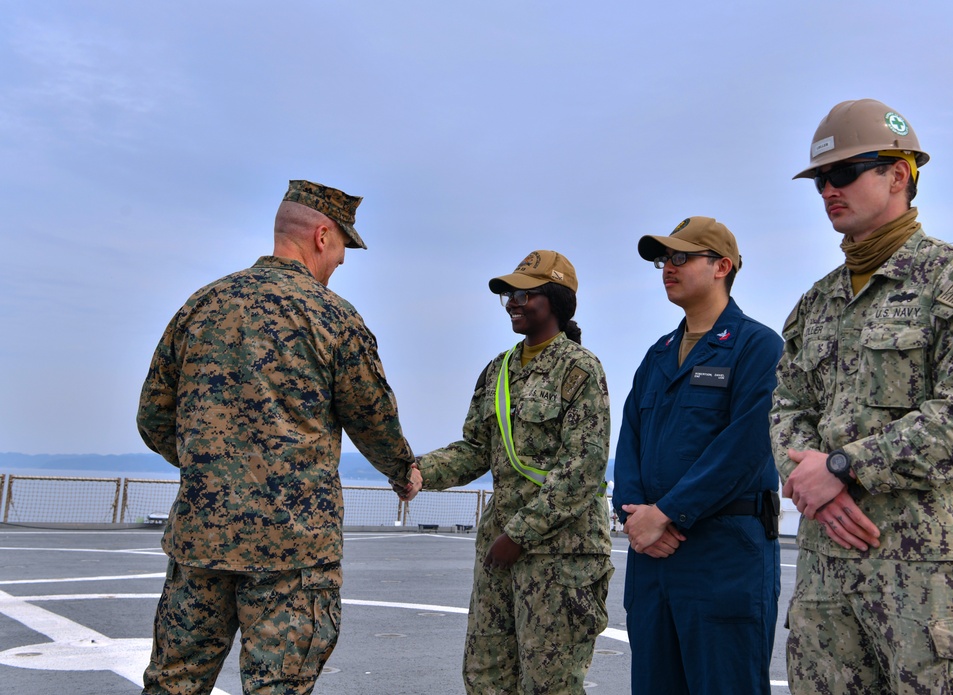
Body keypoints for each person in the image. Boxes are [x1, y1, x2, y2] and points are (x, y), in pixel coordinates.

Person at [136, 180, 421, 695]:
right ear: (320, 235)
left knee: (173, 684)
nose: (340, 262)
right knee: (278, 689)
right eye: (341, 247)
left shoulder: (202, 305)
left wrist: (213, 468)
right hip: (292, 552)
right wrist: (404, 470)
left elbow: (154, 417)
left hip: (202, 539)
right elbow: (372, 417)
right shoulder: (333, 317)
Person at [773, 99, 953, 693]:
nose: (828, 190)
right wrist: (812, 483)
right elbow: (787, 409)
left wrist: (847, 467)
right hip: (827, 574)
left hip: (929, 579)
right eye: (821, 179)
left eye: (843, 173)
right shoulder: (815, 305)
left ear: (898, 174)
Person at [412, 250, 614, 694]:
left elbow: (583, 468)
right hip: (500, 552)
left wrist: (519, 534)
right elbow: (474, 450)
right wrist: (417, 471)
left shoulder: (580, 369)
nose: (513, 303)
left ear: (556, 299)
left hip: (560, 557)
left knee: (549, 685)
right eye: (508, 295)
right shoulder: (498, 370)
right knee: (486, 676)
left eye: (525, 293)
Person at [613, 217, 783, 694]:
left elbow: (747, 446)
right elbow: (629, 442)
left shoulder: (756, 346)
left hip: (723, 553)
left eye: (681, 257)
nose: (668, 267)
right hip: (654, 556)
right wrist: (634, 517)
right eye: (663, 259)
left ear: (721, 266)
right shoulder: (658, 354)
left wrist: (667, 513)